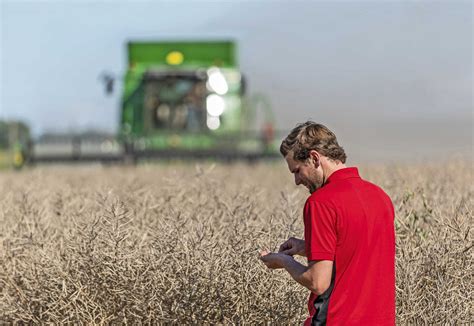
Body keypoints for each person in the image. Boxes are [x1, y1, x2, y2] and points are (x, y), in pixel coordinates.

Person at [259, 121, 395, 325]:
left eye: (297, 171)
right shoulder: (380, 197)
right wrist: (307, 248)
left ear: (314, 158)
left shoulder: (320, 203)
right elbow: (355, 252)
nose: (296, 181)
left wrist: (283, 261)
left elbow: (318, 282)